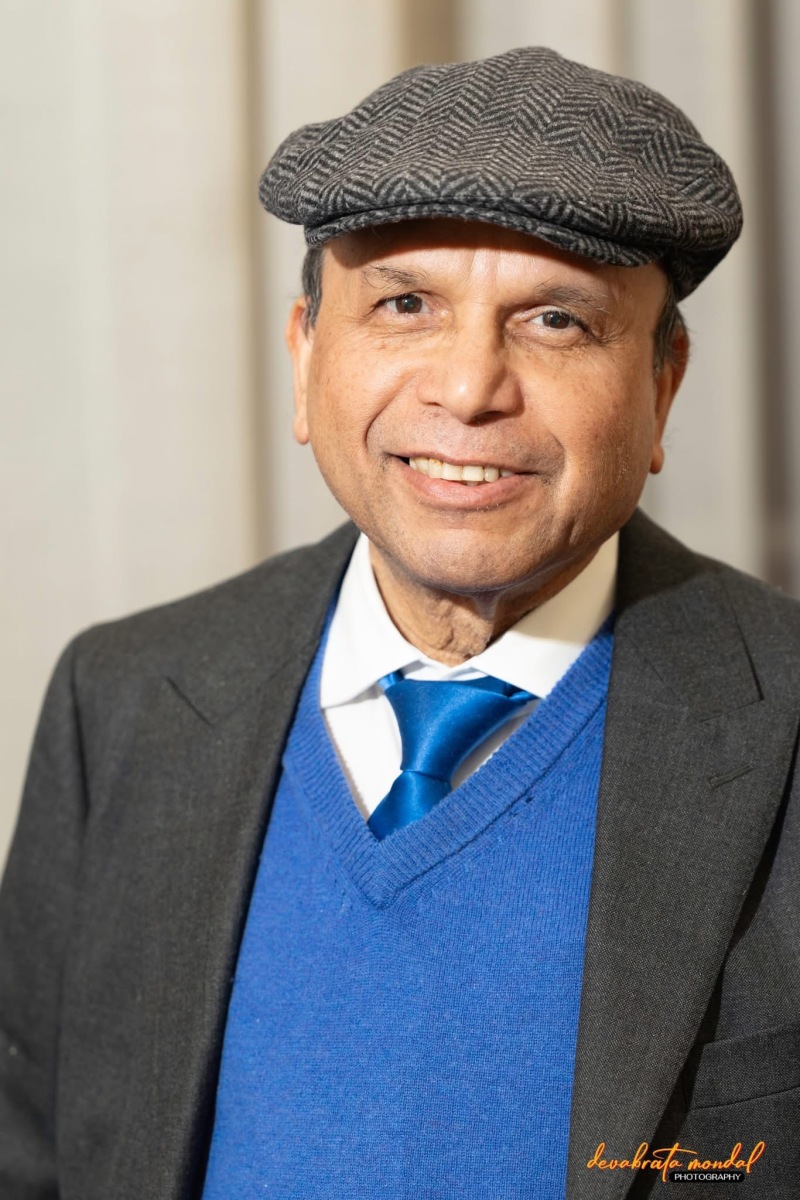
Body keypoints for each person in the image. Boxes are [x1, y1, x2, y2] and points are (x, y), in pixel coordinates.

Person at [1, 45, 798, 1200]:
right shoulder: (121, 701)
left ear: (660, 385)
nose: (467, 388)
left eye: (556, 321)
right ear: (304, 355)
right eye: (404, 304)